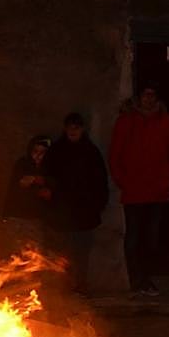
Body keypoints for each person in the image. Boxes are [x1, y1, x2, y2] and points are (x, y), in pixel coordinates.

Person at [109, 83, 169, 296]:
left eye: (152, 95)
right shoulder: (126, 121)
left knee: (151, 238)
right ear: (139, 98)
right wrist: (123, 180)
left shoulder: (165, 121)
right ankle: (135, 281)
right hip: (134, 191)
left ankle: (146, 279)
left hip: (157, 190)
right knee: (133, 238)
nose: (148, 99)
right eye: (145, 95)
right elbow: (115, 153)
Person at [45, 113, 110, 295]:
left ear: (82, 129)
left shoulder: (91, 152)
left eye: (76, 128)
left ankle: (81, 285)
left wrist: (98, 204)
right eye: (70, 127)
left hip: (85, 211)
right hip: (62, 211)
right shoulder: (56, 151)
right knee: (63, 252)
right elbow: (48, 177)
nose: (73, 131)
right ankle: (64, 286)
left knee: (81, 251)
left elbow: (100, 180)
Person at [2, 134, 53, 249]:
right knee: (14, 254)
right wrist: (34, 181)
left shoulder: (50, 168)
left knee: (34, 255)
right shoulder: (23, 164)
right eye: (35, 151)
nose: (38, 155)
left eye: (43, 152)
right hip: (16, 217)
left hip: (35, 220)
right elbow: (22, 183)